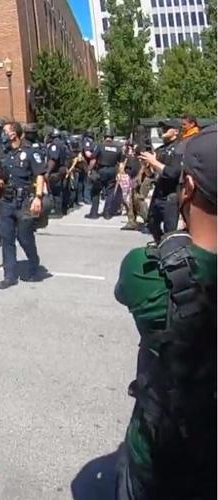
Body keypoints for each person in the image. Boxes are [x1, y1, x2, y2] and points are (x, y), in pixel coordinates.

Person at [114, 126, 216, 500]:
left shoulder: (148, 271)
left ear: (187, 187)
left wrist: (176, 235)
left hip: (161, 459)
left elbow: (124, 290)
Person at [0, 122, 48, 289]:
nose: (2, 135)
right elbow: (0, 178)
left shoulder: (30, 152)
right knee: (7, 239)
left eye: (5, 132)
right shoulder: (5, 154)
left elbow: (40, 175)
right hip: (6, 201)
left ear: (14, 134)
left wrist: (38, 198)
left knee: (24, 237)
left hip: (24, 201)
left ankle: (34, 264)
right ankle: (10, 276)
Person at [139, 119, 181, 242]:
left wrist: (153, 161)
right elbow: (152, 174)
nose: (163, 130)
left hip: (172, 193)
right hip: (159, 191)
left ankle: (168, 248)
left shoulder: (179, 148)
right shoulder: (160, 149)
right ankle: (160, 244)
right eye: (163, 128)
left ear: (176, 131)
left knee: (170, 229)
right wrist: (146, 165)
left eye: (167, 128)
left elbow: (173, 173)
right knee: (152, 223)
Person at [86, 129, 123, 219]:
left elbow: (93, 159)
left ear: (104, 137)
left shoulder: (100, 146)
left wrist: (89, 169)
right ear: (112, 138)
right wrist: (120, 174)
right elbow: (121, 163)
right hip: (112, 171)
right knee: (110, 193)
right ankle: (107, 213)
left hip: (101, 171)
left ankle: (94, 213)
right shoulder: (118, 148)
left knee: (96, 191)